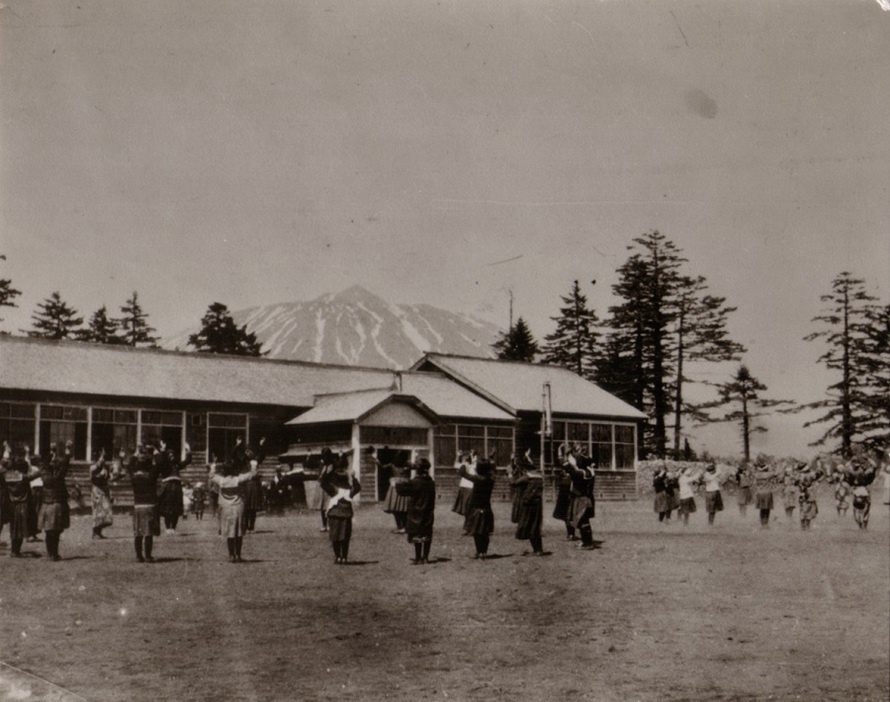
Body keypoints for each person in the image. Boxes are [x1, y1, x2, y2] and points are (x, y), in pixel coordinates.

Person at [209, 453, 258, 563]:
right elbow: (253, 474)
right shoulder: (238, 479)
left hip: (225, 508)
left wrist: (214, 464)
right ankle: (238, 555)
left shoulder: (220, 480)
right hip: (238, 507)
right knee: (239, 532)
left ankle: (231, 555)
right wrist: (253, 463)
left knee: (229, 532)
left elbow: (211, 475)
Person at [319, 450, 361, 564]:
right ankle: (344, 557)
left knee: (335, 536)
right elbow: (358, 487)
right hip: (346, 514)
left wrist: (327, 473)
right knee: (345, 538)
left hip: (334, 514)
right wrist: (354, 477)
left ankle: (337, 556)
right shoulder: (349, 491)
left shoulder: (334, 490)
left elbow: (322, 483)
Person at [1, 442, 41, 557]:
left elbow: (3, 469)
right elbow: (33, 475)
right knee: (21, 529)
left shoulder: (7, 476)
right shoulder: (23, 477)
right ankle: (15, 550)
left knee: (14, 528)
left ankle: (15, 550)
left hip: (11, 504)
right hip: (23, 504)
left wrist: (7, 457)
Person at [123, 444, 161, 562]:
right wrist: (155, 451)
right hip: (150, 505)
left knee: (138, 533)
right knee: (148, 533)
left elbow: (129, 467)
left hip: (138, 506)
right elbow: (159, 465)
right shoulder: (151, 476)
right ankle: (148, 556)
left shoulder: (133, 477)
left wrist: (135, 454)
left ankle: (139, 556)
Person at [37, 440, 72, 562]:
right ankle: (54, 554)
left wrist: (52, 452)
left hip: (46, 504)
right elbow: (65, 465)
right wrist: (67, 452)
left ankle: (50, 553)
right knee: (56, 532)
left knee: (48, 532)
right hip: (57, 504)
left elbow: (43, 465)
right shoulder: (58, 476)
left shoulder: (43, 473)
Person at [395, 458, 436, 564]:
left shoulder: (415, 482)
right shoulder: (431, 482)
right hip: (428, 511)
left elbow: (401, 490)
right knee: (427, 534)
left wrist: (404, 473)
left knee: (416, 534)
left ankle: (418, 558)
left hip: (416, 512)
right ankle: (425, 557)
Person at [508, 448, 544, 556]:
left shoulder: (527, 477)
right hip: (537, 504)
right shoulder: (539, 476)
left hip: (528, 504)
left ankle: (537, 550)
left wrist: (509, 474)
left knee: (527, 525)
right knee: (535, 526)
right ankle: (538, 549)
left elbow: (514, 483)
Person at [458, 455, 495, 559]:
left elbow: (462, 473)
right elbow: (493, 470)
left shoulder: (476, 479)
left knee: (477, 532)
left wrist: (465, 462)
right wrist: (491, 462)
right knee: (485, 532)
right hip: (487, 508)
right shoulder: (491, 480)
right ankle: (484, 552)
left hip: (475, 508)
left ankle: (479, 552)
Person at [563, 444, 596, 550]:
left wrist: (567, 454)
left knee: (582, 521)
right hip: (588, 498)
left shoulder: (578, 473)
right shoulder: (589, 472)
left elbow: (566, 465)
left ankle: (587, 543)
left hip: (580, 499)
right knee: (584, 520)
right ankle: (586, 541)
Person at [157, 440, 192, 534]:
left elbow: (187, 461)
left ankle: (173, 528)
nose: (172, 456)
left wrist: (188, 450)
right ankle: (168, 528)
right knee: (168, 509)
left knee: (176, 508)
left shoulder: (176, 465)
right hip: (168, 488)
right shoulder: (164, 466)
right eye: (170, 454)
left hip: (177, 487)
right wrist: (163, 450)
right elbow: (161, 460)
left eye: (173, 454)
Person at [241, 438, 267, 533]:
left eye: (250, 451)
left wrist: (261, 445)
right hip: (246, 486)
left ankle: (251, 527)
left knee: (253, 508)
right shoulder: (244, 463)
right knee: (245, 508)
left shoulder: (255, 461)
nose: (249, 453)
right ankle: (245, 526)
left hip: (254, 486)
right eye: (247, 451)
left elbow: (262, 456)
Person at [90, 448, 116, 539]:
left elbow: (110, 479)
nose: (103, 459)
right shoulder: (93, 467)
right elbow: (96, 470)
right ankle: (95, 531)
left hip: (105, 490)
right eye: (101, 456)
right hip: (97, 491)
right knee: (98, 512)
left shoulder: (106, 468)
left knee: (107, 513)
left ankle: (98, 531)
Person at [382, 452, 411, 534]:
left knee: (395, 508)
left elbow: (383, 467)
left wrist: (376, 460)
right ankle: (405, 526)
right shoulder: (407, 465)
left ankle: (400, 527)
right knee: (405, 508)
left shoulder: (392, 465)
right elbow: (415, 467)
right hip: (405, 485)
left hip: (395, 485)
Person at [793, 460, 823, 531]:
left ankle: (803, 527)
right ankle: (806, 527)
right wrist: (819, 467)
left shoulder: (799, 475)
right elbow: (820, 475)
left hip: (803, 493)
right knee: (808, 510)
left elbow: (795, 483)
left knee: (803, 510)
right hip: (808, 493)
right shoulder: (810, 474)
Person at [552, 461, 575, 540]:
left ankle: (571, 534)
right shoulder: (562, 476)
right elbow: (558, 483)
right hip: (562, 498)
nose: (563, 470)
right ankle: (570, 533)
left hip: (568, 497)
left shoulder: (571, 477)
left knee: (569, 516)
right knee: (566, 517)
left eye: (564, 469)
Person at [452, 449, 477, 519]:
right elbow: (456, 465)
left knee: (467, 507)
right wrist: (458, 456)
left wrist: (458, 456)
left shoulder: (472, 465)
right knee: (467, 507)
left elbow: (456, 465)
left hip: (468, 487)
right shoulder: (468, 465)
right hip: (466, 487)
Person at [752, 459, 777, 528]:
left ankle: (762, 524)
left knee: (761, 509)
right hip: (767, 493)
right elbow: (775, 473)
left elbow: (753, 472)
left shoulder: (757, 475)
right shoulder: (768, 474)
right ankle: (766, 524)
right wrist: (773, 465)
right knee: (767, 509)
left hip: (759, 493)